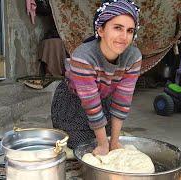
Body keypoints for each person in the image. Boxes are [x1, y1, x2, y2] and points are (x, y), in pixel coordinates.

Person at [51, 0, 142, 155]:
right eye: (117, 28)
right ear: (101, 30)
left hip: (104, 100)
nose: (124, 37)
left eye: (130, 31)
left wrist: (113, 142)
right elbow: (91, 105)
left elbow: (122, 101)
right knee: (85, 146)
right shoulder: (83, 57)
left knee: (111, 141)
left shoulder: (133, 57)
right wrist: (102, 144)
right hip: (72, 103)